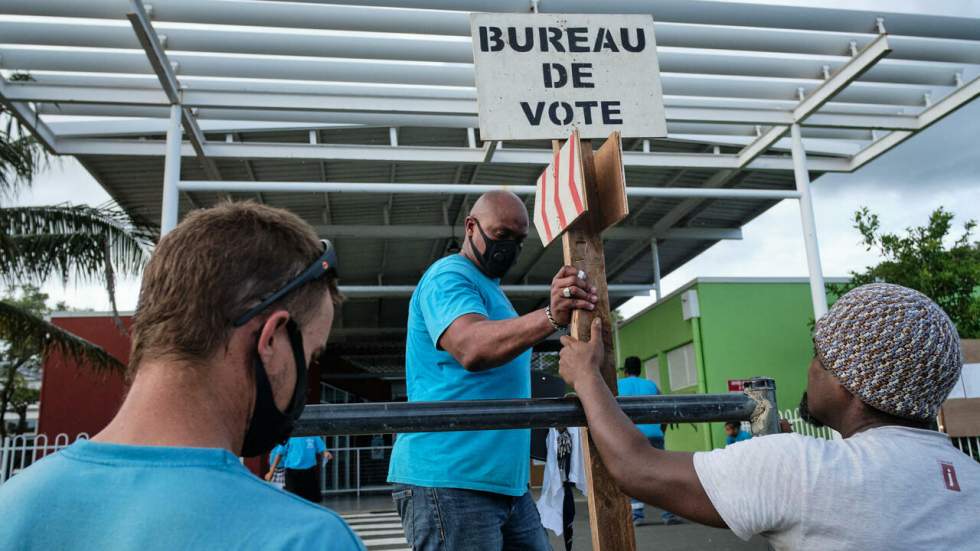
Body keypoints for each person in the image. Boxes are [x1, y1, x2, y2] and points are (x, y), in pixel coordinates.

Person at [0, 203, 365, 550]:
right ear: (270, 340)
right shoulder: (309, 539)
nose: (306, 378)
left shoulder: (12, 506)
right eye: (310, 356)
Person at [558, 283, 979, 549]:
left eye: (820, 357)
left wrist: (585, 377)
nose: (810, 368)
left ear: (849, 386)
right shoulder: (972, 477)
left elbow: (637, 468)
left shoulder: (805, 467)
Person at [387, 191, 597, 550]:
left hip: (504, 485)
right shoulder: (449, 276)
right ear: (471, 227)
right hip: (452, 479)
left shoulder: (493, 292)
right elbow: (471, 346)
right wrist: (550, 316)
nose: (510, 248)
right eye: (501, 235)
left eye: (519, 240)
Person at [617, 356, 676, 525]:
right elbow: (665, 412)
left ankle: (637, 515)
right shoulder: (651, 385)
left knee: (633, 474)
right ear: (640, 369)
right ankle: (668, 514)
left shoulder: (618, 385)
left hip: (631, 436)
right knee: (662, 473)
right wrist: (660, 432)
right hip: (655, 434)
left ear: (625, 370)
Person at [266, 436, 333, 502]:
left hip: (309, 472)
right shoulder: (289, 435)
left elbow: (321, 448)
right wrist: (271, 472)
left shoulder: (313, 434)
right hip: (292, 472)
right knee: (293, 499)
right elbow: (279, 453)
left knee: (312, 500)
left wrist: (325, 453)